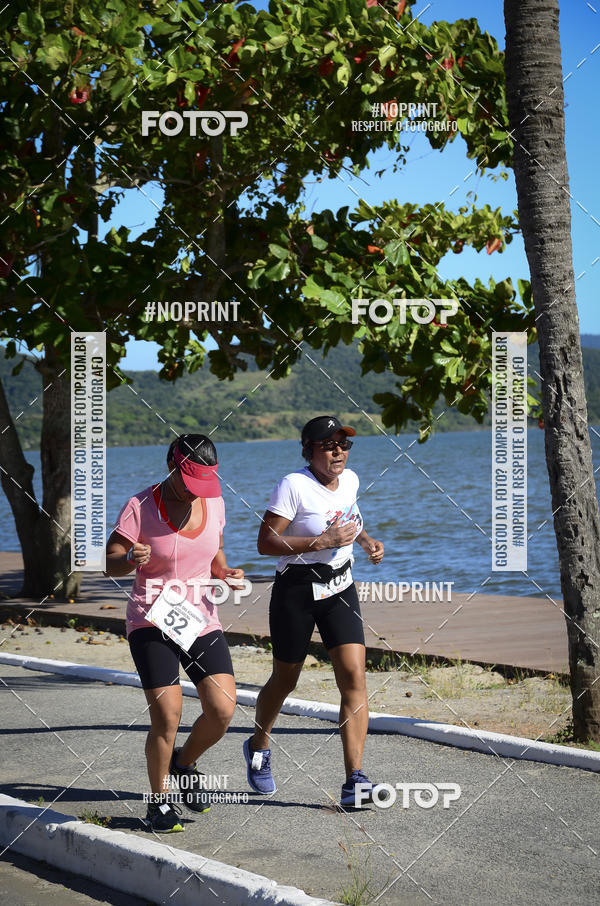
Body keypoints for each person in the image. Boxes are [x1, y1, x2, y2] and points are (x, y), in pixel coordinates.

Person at [244, 415, 385, 808]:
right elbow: (266, 542)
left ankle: (354, 779)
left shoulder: (352, 480)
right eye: (329, 444)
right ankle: (258, 745)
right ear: (310, 449)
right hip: (297, 590)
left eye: (344, 443)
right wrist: (320, 540)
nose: (338, 450)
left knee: (354, 676)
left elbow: (351, 521)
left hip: (340, 585)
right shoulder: (293, 485)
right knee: (285, 681)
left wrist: (368, 541)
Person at [105, 434, 243, 833]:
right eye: (190, 483)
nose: (195, 493)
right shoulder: (139, 506)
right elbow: (111, 562)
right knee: (167, 715)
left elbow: (215, 555)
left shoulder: (214, 503)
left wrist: (225, 573)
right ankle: (158, 803)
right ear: (173, 466)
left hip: (197, 616)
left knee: (222, 709)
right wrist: (129, 557)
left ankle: (183, 763)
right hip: (151, 618)